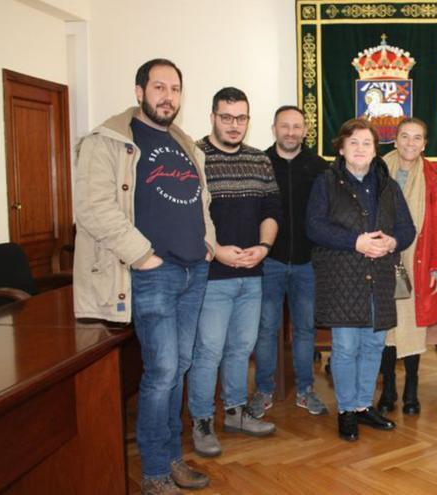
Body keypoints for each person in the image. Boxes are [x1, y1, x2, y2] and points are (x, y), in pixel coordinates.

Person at [73, 58, 216, 495]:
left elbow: (200, 200)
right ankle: (154, 471)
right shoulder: (110, 140)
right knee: (163, 371)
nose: (167, 96)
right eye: (158, 87)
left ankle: (172, 457)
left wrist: (207, 243)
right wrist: (142, 256)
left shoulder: (186, 143)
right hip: (155, 273)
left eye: (174, 89)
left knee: (182, 366)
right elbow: (94, 208)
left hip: (194, 270)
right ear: (139, 92)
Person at [306, 118, 415, 441]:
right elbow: (314, 226)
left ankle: (363, 406)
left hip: (379, 277)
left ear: (374, 150)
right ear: (341, 148)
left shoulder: (387, 185)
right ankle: (346, 410)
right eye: (353, 142)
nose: (360, 149)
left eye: (367, 143)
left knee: (373, 345)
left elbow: (407, 229)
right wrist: (356, 241)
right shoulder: (326, 182)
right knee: (345, 347)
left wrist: (392, 243)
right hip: (342, 278)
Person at [187, 87, 279, 458]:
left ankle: (236, 412)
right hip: (212, 274)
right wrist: (216, 250)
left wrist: (264, 247)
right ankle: (202, 421)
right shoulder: (194, 156)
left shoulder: (259, 160)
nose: (234, 125)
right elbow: (187, 215)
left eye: (241, 118)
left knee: (242, 348)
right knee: (208, 351)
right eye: (226, 117)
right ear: (212, 117)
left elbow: (272, 211)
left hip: (252, 272)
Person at [250, 106, 330, 418]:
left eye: (297, 127)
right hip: (268, 261)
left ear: (305, 131)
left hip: (307, 263)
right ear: (273, 129)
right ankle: (263, 390)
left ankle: (306, 390)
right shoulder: (259, 163)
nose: (291, 132)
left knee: (306, 329)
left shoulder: (319, 167)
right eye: (285, 126)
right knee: (266, 328)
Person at [376, 118, 437, 416]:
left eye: (417, 138)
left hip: (417, 260)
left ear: (425, 144)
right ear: (395, 140)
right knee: (386, 325)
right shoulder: (378, 169)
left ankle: (411, 388)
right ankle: (389, 390)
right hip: (382, 257)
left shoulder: (433, 176)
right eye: (404, 137)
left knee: (411, 325)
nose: (410, 143)